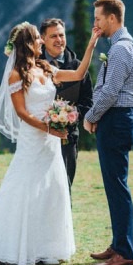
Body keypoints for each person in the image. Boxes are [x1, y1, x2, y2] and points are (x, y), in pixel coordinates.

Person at [0, 21, 100, 265]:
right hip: (33, 140)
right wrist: (49, 128)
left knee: (52, 190)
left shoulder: (46, 68)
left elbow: (77, 75)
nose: (41, 42)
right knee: (24, 187)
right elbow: (22, 113)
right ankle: (14, 247)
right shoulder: (17, 75)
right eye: (37, 39)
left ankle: (47, 248)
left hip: (51, 143)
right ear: (27, 44)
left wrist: (91, 44)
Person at [83, 0, 133, 265]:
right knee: (113, 185)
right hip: (113, 118)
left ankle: (126, 251)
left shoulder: (121, 50)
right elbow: (104, 87)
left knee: (117, 186)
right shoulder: (117, 47)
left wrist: (90, 116)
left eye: (97, 18)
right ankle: (119, 244)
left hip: (117, 120)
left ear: (111, 18)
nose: (95, 23)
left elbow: (110, 91)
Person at [39, 18, 93, 194]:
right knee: (40, 187)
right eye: (53, 36)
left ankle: (64, 222)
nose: (59, 40)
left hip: (67, 138)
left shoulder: (77, 66)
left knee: (64, 187)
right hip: (40, 136)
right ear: (42, 39)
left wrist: (71, 114)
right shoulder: (32, 65)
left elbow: (87, 101)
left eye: (61, 35)